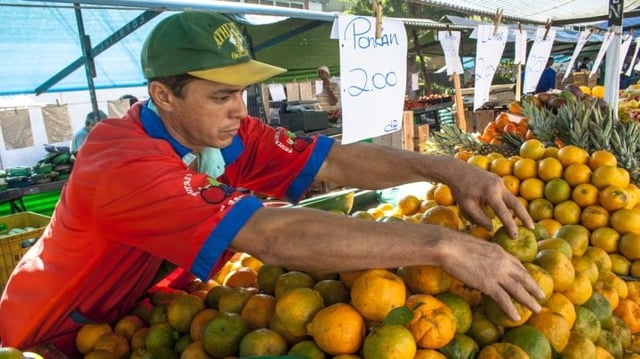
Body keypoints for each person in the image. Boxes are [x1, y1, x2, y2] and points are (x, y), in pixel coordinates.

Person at [0, 11, 543, 354]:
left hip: (145, 315)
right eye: (221, 96)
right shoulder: (120, 164)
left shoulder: (219, 132)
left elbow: (331, 162)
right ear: (163, 95)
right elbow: (270, 235)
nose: (240, 111)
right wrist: (441, 244)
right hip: (57, 332)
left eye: (242, 93)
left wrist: (449, 169)